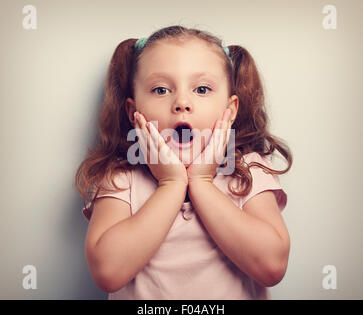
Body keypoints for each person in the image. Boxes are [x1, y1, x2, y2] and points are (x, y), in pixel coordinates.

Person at [75, 25, 293, 300]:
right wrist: (171, 184)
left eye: (202, 89)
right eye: (161, 89)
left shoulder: (248, 171)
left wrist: (201, 183)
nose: (181, 103)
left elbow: (272, 266)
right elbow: (108, 272)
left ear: (230, 109)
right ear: (134, 113)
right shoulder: (121, 177)